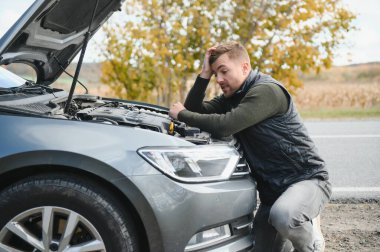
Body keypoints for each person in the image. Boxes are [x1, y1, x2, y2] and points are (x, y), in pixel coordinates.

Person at [169, 42, 332, 252]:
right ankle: (294, 223)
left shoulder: (266, 91)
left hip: (308, 179)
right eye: (216, 74)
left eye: (224, 71)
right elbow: (195, 110)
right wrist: (204, 73)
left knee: (284, 216)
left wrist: (180, 114)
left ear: (245, 67)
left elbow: (225, 126)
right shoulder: (231, 98)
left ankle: (311, 240)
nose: (219, 79)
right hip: (273, 194)